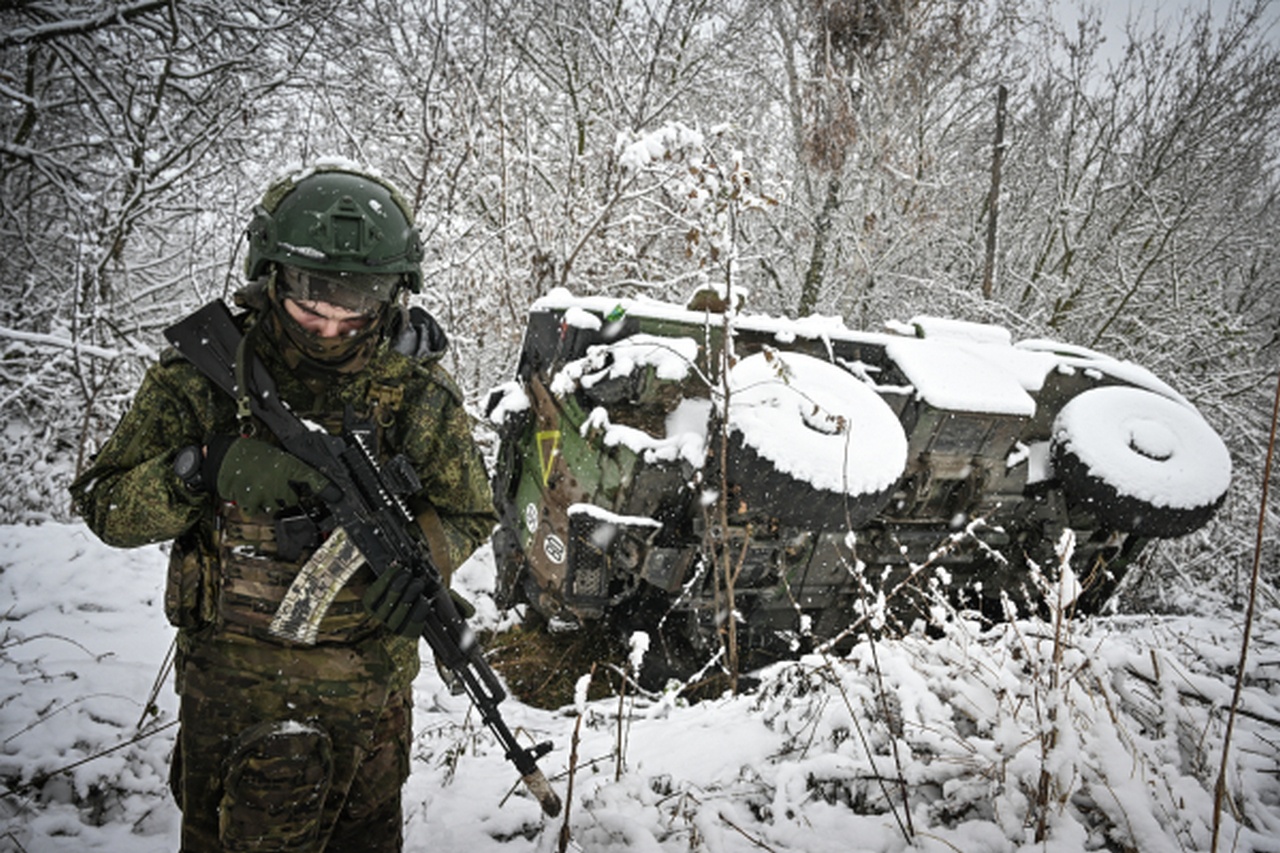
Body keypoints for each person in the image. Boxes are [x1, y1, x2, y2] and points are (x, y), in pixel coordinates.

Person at [70, 163, 498, 852]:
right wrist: (205, 468)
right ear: (270, 273)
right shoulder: (205, 376)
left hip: (371, 706)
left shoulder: (415, 390)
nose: (330, 326)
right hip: (234, 698)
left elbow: (473, 511)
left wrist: (421, 560)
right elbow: (103, 501)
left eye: (354, 307)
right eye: (309, 302)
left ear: (393, 295)